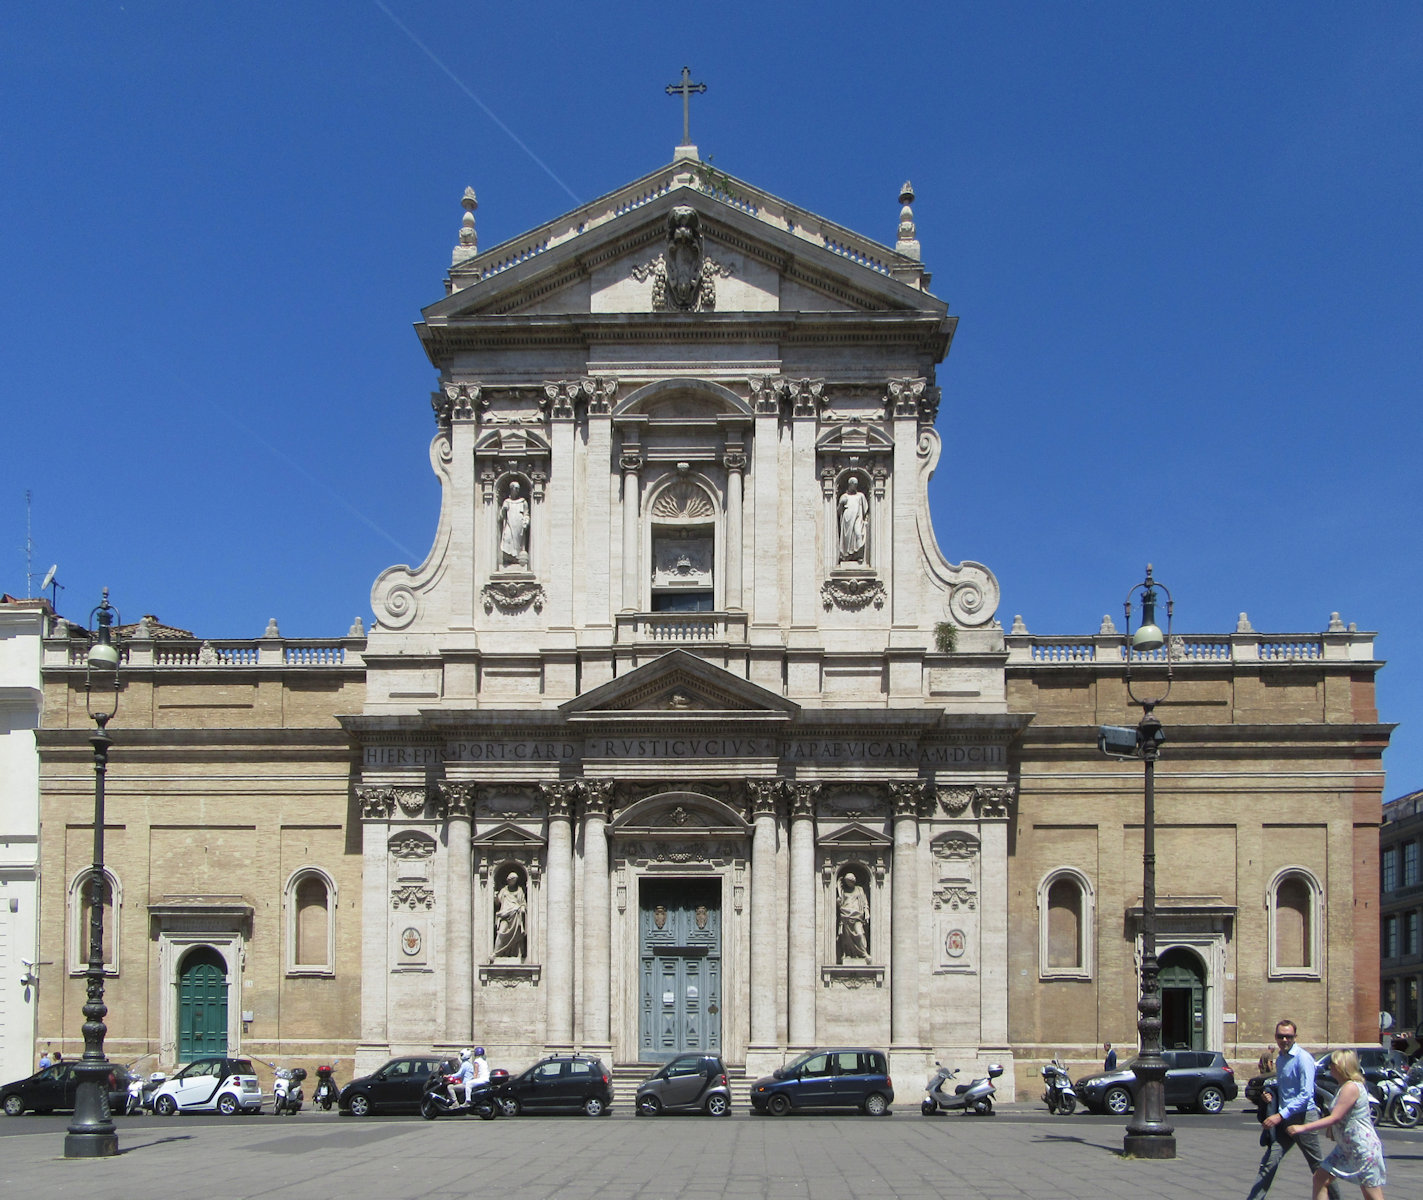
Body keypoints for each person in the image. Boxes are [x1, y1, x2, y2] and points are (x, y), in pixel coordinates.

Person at [1247, 1020, 1341, 1200]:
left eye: (1288, 1036)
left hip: (1304, 1118)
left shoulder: (1303, 1058)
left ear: (1295, 1037)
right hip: (1285, 1119)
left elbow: (1306, 1094)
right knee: (1269, 1163)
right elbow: (1285, 1088)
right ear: (1275, 1037)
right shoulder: (1281, 1059)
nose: (1284, 1039)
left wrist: (1279, 1115)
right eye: (1280, 1036)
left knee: (1318, 1166)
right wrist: (1270, 1094)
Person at [1286, 1049, 1386, 1200]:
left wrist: (1303, 1127)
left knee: (1372, 1195)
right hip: (1347, 1147)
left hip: (1362, 1147)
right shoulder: (1344, 1086)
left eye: (1332, 1063)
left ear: (1341, 1066)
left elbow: (1335, 1117)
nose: (1329, 1066)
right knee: (1320, 1177)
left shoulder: (1351, 1087)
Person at [492, 871, 527, 959]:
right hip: (505, 914)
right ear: (508, 880)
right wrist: (495, 897)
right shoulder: (504, 890)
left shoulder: (519, 890)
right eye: (512, 880)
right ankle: (496, 953)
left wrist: (522, 908)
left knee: (518, 934)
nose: (513, 881)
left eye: (515, 880)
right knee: (501, 932)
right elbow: (498, 903)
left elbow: (523, 902)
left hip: (516, 913)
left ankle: (519, 954)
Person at [836, 872, 870, 962]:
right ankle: (849, 954)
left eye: (850, 881)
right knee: (846, 937)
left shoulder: (859, 889)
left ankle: (863, 953)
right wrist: (838, 901)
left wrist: (866, 912)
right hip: (845, 915)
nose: (849, 883)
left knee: (859, 934)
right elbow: (841, 902)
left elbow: (864, 902)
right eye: (847, 881)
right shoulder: (844, 892)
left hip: (857, 915)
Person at [837, 476, 869, 562]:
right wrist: (840, 503)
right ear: (849, 485)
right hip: (847, 519)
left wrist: (865, 519)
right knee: (847, 539)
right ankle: (846, 556)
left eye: (856, 484)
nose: (855, 486)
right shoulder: (844, 496)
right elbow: (839, 512)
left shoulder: (860, 496)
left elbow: (865, 509)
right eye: (853, 484)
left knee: (858, 534)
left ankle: (859, 555)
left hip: (858, 518)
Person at [499, 481, 530, 567]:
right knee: (507, 538)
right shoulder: (507, 502)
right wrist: (503, 510)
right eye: (515, 488)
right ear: (511, 489)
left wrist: (526, 521)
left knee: (518, 543)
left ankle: (516, 559)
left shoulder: (523, 502)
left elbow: (526, 514)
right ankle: (508, 558)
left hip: (519, 525)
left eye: (518, 489)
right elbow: (501, 517)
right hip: (509, 524)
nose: (516, 490)